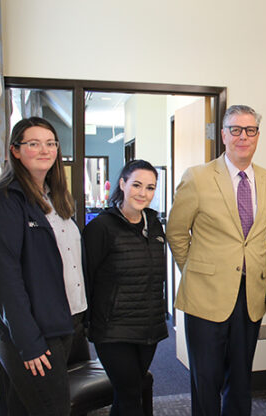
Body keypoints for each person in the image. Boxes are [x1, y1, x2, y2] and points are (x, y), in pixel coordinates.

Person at [166, 105, 266, 416]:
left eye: (250, 130)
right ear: (223, 134)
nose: (243, 136)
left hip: (250, 296)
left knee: (242, 379)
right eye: (235, 129)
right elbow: (176, 232)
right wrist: (195, 271)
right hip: (205, 295)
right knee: (206, 379)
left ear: (257, 135)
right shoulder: (198, 177)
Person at [0, 117, 86, 415]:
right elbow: (4, 281)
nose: (44, 150)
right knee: (52, 408)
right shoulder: (5, 202)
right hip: (33, 330)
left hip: (61, 320)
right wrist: (29, 343)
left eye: (50, 143)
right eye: (34, 144)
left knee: (22, 407)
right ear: (15, 150)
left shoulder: (54, 197)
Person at [83, 159, 168, 416]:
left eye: (151, 188)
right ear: (122, 184)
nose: (143, 193)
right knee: (131, 394)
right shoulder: (101, 228)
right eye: (137, 185)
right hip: (113, 329)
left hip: (148, 327)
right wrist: (87, 323)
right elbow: (86, 277)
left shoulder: (154, 225)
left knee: (128, 393)